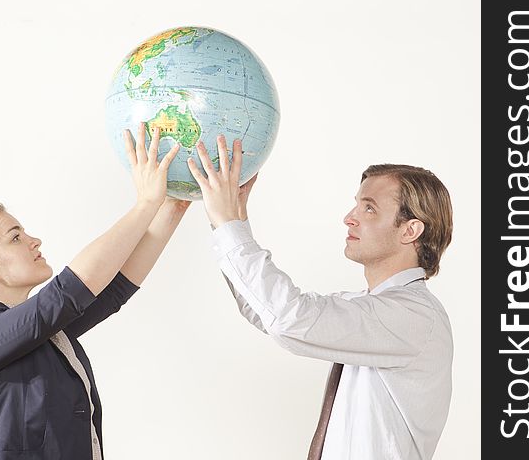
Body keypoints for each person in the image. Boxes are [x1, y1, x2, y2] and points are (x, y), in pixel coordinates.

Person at [0, 124, 188, 460]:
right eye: (16, 237)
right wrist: (145, 204)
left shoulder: (44, 336)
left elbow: (115, 287)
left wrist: (176, 203)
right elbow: (65, 293)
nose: (34, 241)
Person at [187, 135, 453, 460]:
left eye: (369, 208)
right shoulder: (368, 309)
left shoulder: (414, 317)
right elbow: (263, 313)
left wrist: (230, 226)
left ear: (410, 231)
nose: (349, 217)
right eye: (356, 203)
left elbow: (291, 320)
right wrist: (228, 221)